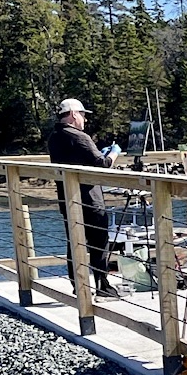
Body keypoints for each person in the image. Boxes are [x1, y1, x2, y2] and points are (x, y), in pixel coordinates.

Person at [48, 99, 115, 295]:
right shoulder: (80, 137)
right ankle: (103, 284)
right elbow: (103, 163)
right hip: (90, 200)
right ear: (73, 114)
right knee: (99, 242)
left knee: (74, 242)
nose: (85, 119)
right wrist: (114, 154)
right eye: (83, 114)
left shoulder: (54, 137)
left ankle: (78, 286)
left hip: (67, 198)